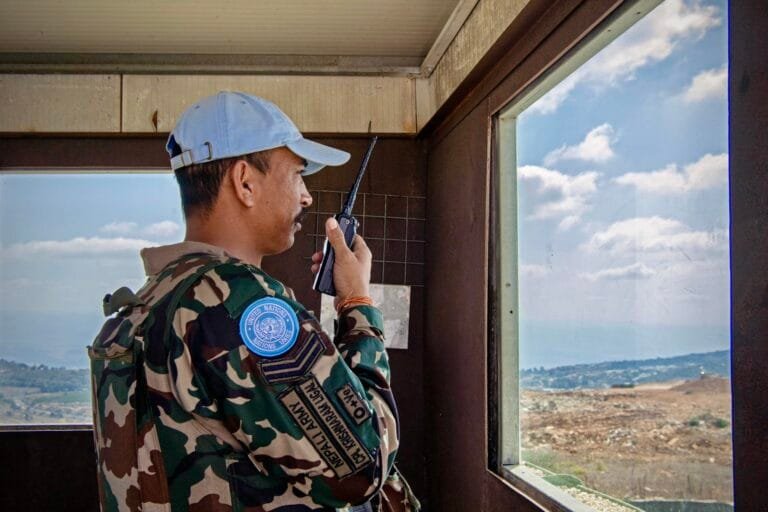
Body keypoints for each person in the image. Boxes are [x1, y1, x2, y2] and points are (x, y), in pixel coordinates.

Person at [88, 91, 417, 512]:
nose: (306, 197)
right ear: (245, 182)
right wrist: (357, 303)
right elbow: (362, 467)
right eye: (298, 174)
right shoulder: (239, 303)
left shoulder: (149, 301)